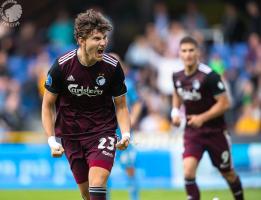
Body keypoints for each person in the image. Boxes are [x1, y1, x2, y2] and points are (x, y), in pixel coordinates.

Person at [41, 9, 131, 200]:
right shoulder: (62, 67)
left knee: (97, 182)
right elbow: (47, 105)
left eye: (104, 38)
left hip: (102, 131)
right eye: (97, 38)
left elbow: (121, 105)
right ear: (82, 40)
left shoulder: (112, 67)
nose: (103, 43)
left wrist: (126, 133)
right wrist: (51, 140)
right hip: (71, 136)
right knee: (88, 195)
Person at [171, 36, 244, 200]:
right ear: (179, 54)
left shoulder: (209, 76)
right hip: (193, 132)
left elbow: (225, 103)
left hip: (215, 131)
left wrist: (202, 118)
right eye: (184, 51)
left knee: (228, 173)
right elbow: (177, 94)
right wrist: (175, 112)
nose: (188, 54)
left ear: (198, 53)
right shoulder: (177, 76)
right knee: (188, 171)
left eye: (191, 50)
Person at [109, 53, 142, 200]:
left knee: (129, 167)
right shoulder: (98, 83)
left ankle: (134, 197)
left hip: (123, 132)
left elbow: (137, 103)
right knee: (103, 169)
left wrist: (132, 119)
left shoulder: (128, 83)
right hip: (104, 133)